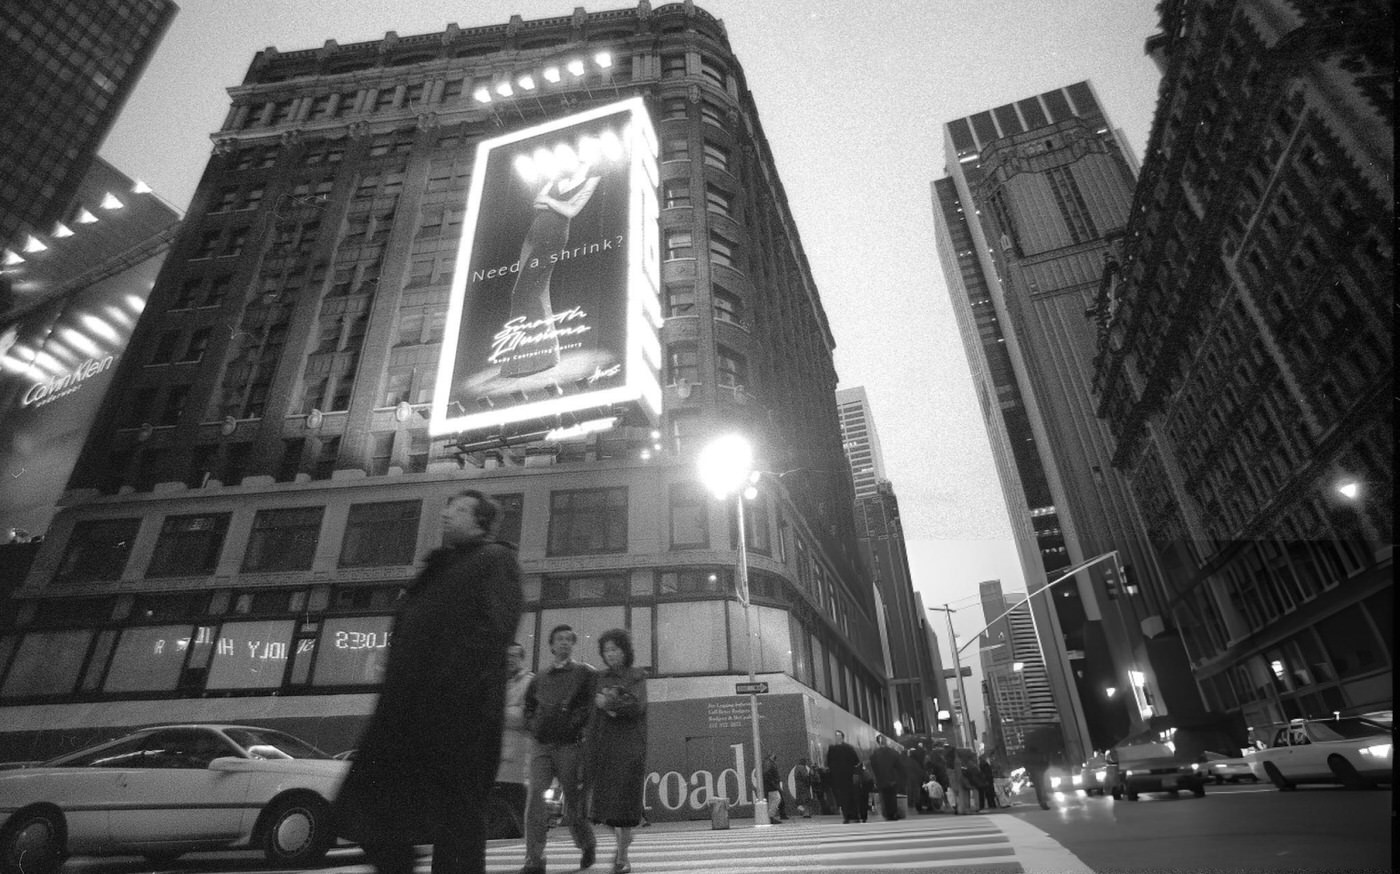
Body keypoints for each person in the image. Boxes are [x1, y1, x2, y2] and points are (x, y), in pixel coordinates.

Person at [334, 490, 522, 874]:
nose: (448, 514)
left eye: (461, 509)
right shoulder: (438, 566)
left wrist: (450, 686)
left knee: (458, 823)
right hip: (406, 713)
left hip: (459, 717)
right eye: (448, 507)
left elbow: (492, 632)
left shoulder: (495, 559)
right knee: (374, 810)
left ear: (481, 522)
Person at [519, 625, 597, 874]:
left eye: (568, 639)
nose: (564, 643)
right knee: (535, 801)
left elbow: (590, 706)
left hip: (569, 746)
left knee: (573, 803)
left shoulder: (584, 673)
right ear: (551, 646)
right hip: (542, 746)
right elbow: (529, 707)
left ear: (573, 645)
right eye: (559, 639)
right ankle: (534, 858)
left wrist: (574, 725)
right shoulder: (539, 678)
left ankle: (586, 843)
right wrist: (534, 726)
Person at [587, 629, 647, 874]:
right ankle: (625, 840)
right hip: (605, 745)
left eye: (615, 649)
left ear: (625, 650)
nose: (611, 654)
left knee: (624, 804)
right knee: (604, 808)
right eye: (607, 650)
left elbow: (636, 705)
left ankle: (622, 857)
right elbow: (596, 709)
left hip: (630, 745)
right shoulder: (598, 677)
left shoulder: (636, 675)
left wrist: (608, 704)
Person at [493, 642, 534, 837]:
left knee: (516, 801)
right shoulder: (495, 681)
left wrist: (496, 713)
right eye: (507, 655)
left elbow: (526, 716)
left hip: (519, 754)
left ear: (522, 659)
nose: (510, 659)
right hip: (494, 752)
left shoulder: (529, 682)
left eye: (515, 656)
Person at [824, 730, 861, 823]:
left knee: (851, 796)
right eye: (835, 736)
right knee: (843, 798)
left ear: (842, 737)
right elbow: (828, 763)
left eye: (838, 736)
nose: (836, 737)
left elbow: (856, 761)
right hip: (838, 778)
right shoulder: (832, 749)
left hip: (848, 777)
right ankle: (847, 816)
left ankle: (855, 816)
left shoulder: (848, 748)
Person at [868, 735, 903, 821]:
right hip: (892, 779)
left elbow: (873, 767)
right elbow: (899, 766)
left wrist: (875, 778)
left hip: (881, 779)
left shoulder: (874, 754)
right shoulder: (893, 752)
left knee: (884, 797)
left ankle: (887, 814)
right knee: (892, 797)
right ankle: (893, 813)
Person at [762, 753, 786, 822]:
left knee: (773, 800)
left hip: (770, 785)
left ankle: (769, 816)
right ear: (771, 756)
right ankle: (770, 816)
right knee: (777, 798)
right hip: (771, 786)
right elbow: (767, 773)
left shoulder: (767, 763)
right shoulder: (769, 763)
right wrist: (773, 782)